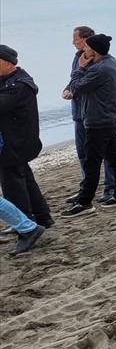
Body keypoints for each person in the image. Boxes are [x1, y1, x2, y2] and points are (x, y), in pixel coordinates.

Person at [63, 34, 116, 214]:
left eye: (87, 47)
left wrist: (80, 68)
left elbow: (76, 86)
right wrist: (115, 109)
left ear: (94, 50)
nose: (84, 50)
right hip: (110, 119)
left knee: (91, 162)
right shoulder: (115, 64)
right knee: (115, 159)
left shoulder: (99, 69)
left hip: (99, 122)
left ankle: (85, 202)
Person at [0, 45, 53, 231]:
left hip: (14, 143)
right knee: (26, 180)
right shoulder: (10, 80)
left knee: (13, 186)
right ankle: (43, 218)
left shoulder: (17, 85)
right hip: (18, 140)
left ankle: (25, 224)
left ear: (8, 63)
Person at [66, 26, 114, 201]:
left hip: (97, 116)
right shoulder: (78, 57)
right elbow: (74, 79)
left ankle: (111, 188)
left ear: (86, 41)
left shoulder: (102, 62)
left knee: (107, 154)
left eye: (76, 39)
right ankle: (85, 188)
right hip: (79, 113)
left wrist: (112, 109)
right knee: (83, 154)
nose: (73, 43)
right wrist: (67, 89)